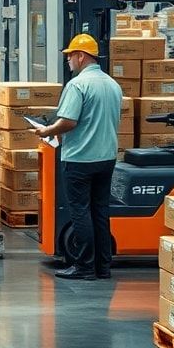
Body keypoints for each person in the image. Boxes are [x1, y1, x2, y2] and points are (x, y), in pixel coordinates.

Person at [33, 34, 122, 281]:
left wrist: (46, 131)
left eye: (70, 56)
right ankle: (103, 267)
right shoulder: (113, 85)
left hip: (80, 159)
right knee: (100, 211)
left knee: (80, 211)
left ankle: (84, 267)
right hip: (106, 158)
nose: (68, 61)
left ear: (81, 56)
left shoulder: (77, 85)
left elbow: (69, 121)